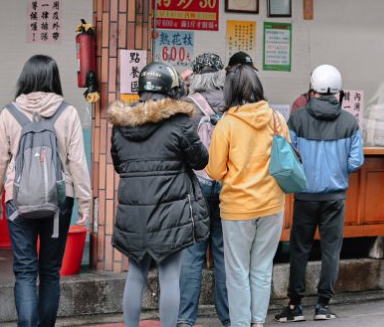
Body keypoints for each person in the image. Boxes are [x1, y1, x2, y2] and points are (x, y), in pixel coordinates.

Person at [0, 54, 92, 327]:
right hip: (59, 201)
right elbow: (78, 162)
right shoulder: (67, 113)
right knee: (50, 271)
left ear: (26, 78)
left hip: (17, 201)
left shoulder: (9, 113)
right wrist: (85, 203)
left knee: (24, 271)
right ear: (53, 78)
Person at [108, 61, 210, 327]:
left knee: (135, 274)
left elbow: (120, 165)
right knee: (169, 276)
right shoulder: (179, 122)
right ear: (171, 90)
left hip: (133, 212)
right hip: (170, 212)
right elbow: (200, 161)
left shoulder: (121, 124)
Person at [275, 64, 364, 322]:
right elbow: (356, 161)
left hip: (304, 195)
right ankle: (323, 306)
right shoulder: (349, 122)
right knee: (330, 250)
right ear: (338, 91)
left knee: (299, 250)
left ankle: (295, 306)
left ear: (312, 89)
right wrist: (338, 170)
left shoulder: (298, 118)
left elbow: (288, 156)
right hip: (335, 198)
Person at [206, 64, 286, 327]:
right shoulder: (276, 118)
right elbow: (284, 159)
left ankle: (240, 323)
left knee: (237, 270)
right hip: (272, 203)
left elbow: (215, 170)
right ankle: (257, 322)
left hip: (238, 207)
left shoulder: (227, 124)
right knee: (262, 267)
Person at [177, 52, 230, 327]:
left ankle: (185, 319)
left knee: (193, 254)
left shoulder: (185, 105)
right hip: (226, 186)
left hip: (194, 186)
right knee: (223, 252)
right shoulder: (233, 103)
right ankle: (229, 318)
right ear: (222, 75)